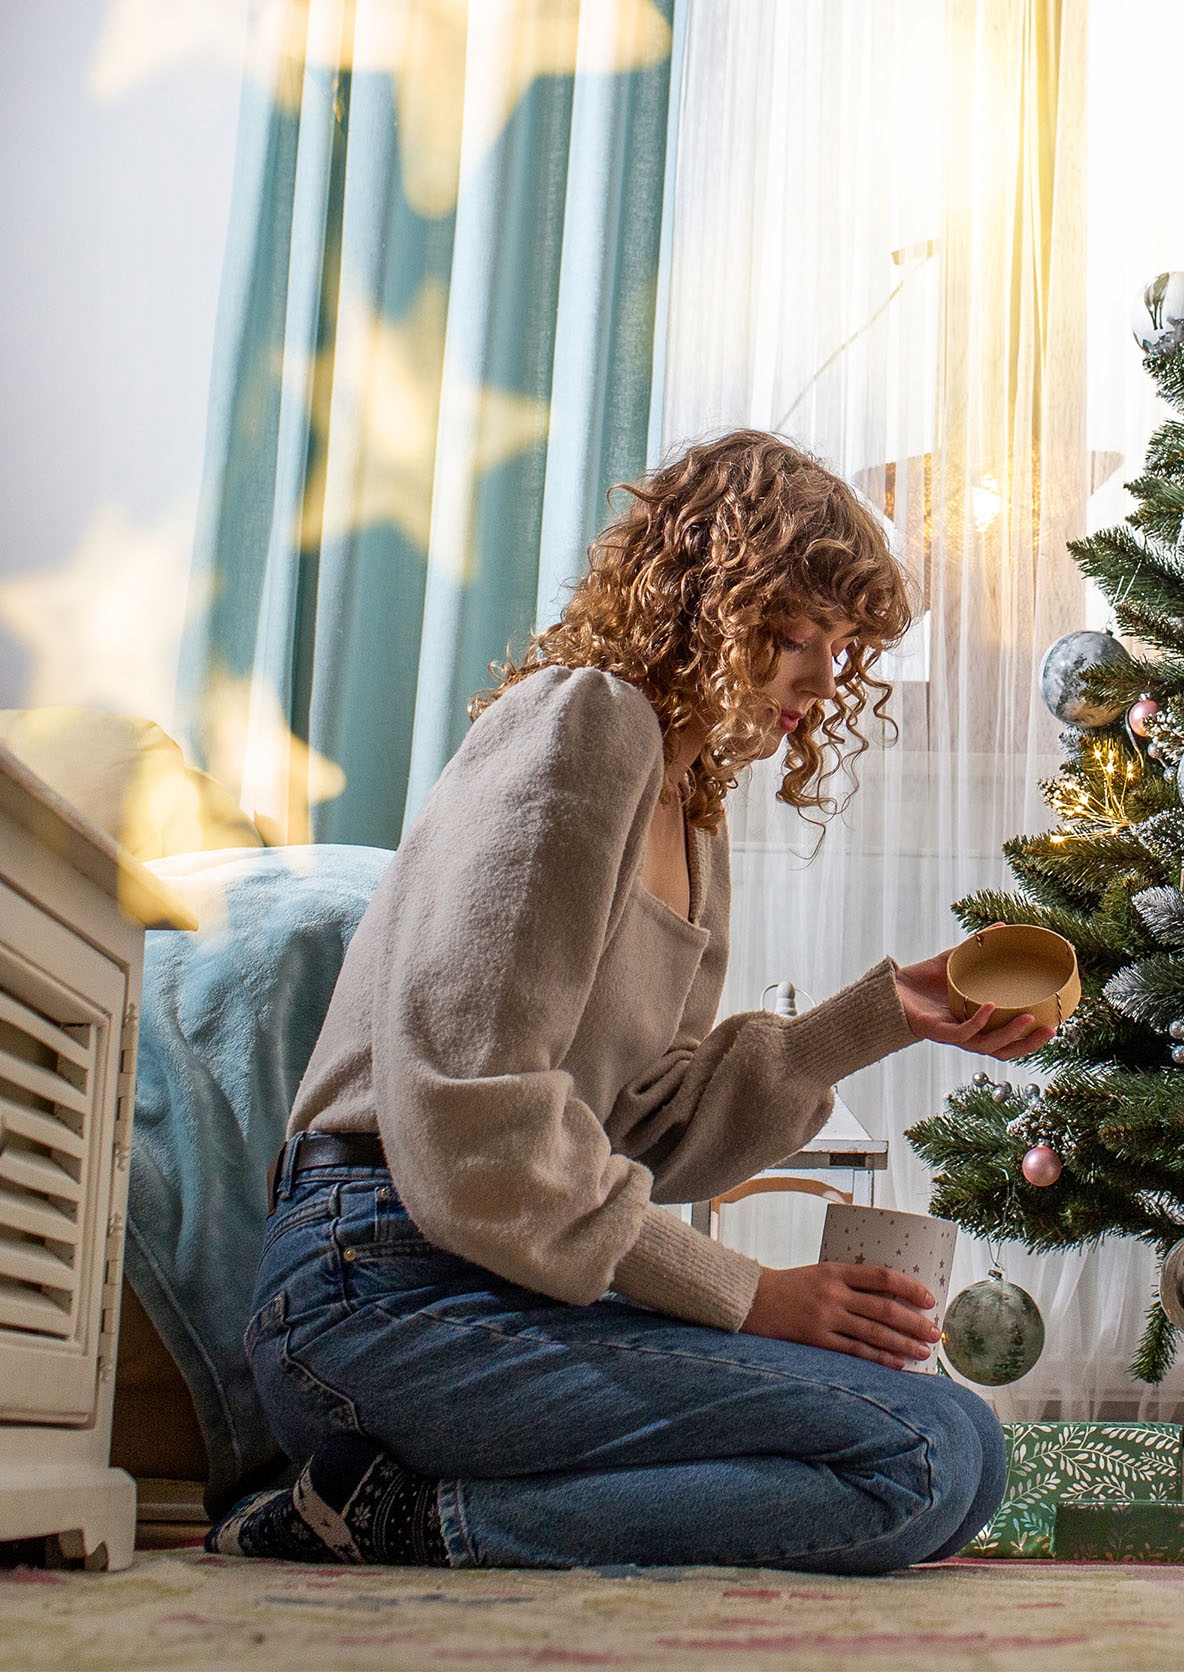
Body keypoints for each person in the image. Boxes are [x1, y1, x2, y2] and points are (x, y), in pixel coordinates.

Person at [210, 430, 1046, 1572]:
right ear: (706, 598)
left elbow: (647, 1126)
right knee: (918, 1454)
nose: (820, 681)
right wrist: (748, 1294)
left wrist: (885, 1012)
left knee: (966, 1451)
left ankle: (404, 1505)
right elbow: (477, 1127)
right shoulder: (584, 719)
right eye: (795, 634)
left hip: (504, 1275)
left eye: (842, 649)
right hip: (377, 1283)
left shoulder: (692, 812)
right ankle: (400, 1517)